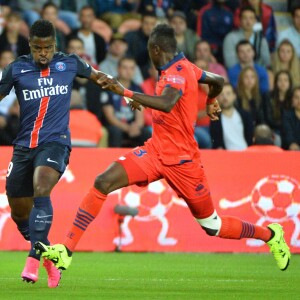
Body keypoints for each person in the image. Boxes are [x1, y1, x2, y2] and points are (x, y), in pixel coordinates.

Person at [36, 24, 290, 274]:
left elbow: (168, 102)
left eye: (150, 51)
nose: (149, 55)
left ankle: (270, 234)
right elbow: (217, 79)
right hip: (155, 152)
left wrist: (126, 91)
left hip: (183, 162)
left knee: (212, 225)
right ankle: (65, 251)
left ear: (156, 49)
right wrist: (212, 100)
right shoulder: (185, 67)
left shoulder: (177, 72)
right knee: (103, 181)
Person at [0, 19, 110, 287]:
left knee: (41, 188)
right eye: (37, 48)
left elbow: (99, 77)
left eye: (47, 48)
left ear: (54, 45)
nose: (43, 53)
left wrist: (128, 94)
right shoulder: (16, 69)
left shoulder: (70, 62)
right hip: (24, 146)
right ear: (30, 46)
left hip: (56, 143)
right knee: (18, 212)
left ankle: (32, 260)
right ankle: (49, 258)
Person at [100, 57, 151, 147]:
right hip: (115, 126)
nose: (128, 71)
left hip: (132, 126)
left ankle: (145, 160)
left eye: (132, 68)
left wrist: (137, 127)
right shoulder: (108, 87)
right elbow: (110, 117)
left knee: (146, 133)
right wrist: (127, 128)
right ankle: (114, 160)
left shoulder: (137, 89)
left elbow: (140, 115)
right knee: (115, 132)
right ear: (118, 69)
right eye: (125, 68)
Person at [210, 83, 253, 150]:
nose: (225, 97)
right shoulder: (215, 119)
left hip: (247, 153)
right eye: (222, 94)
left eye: (228, 94)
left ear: (234, 96)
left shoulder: (245, 116)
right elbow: (216, 143)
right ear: (218, 98)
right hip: (228, 157)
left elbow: (250, 137)